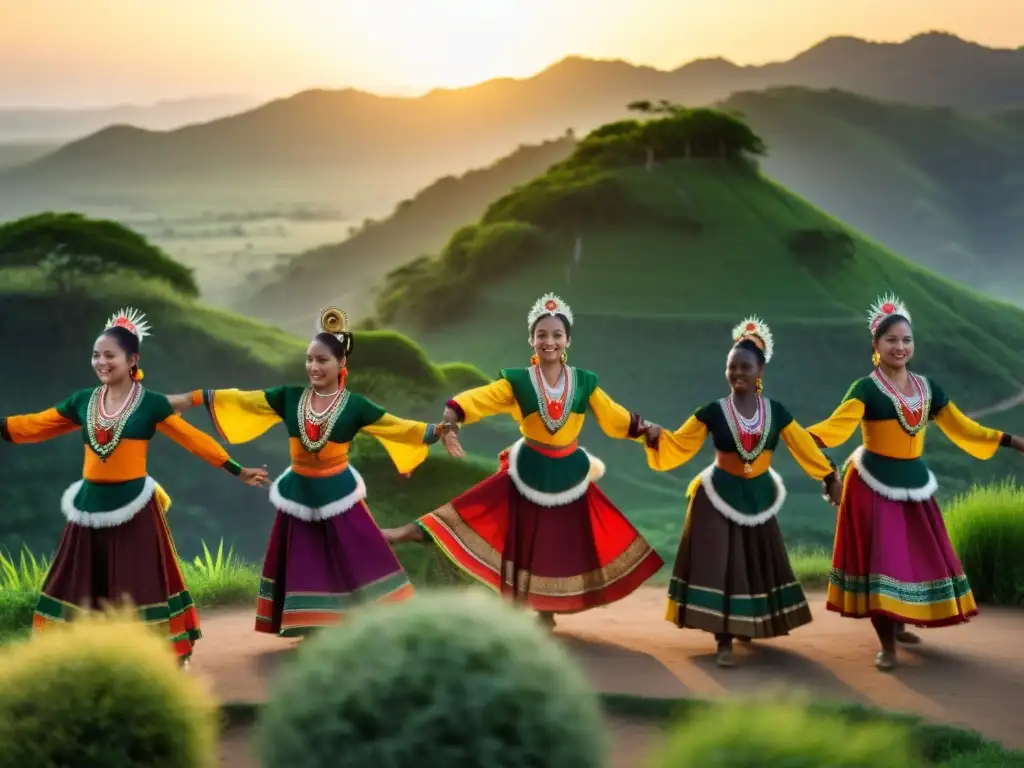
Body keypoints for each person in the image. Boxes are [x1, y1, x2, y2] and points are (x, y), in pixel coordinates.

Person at [0, 308, 269, 666]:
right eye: (96, 355)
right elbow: (37, 424)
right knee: (79, 578)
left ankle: (155, 657)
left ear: (132, 360)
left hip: (134, 506)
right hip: (89, 507)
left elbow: (192, 439)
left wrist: (237, 470)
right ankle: (82, 654)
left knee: (141, 580)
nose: (101, 362)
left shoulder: (150, 403)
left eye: (109, 355)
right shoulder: (83, 401)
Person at [168, 306, 458, 637]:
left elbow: (399, 427)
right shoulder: (290, 397)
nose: (313, 367)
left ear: (341, 365)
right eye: (310, 359)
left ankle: (379, 622)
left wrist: (440, 431)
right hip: (299, 493)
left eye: (322, 360)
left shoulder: (355, 406)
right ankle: (311, 626)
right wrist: (190, 399)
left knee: (359, 555)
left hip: (339, 492)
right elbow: (243, 401)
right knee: (305, 561)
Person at [382, 293, 665, 626]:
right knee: (479, 510)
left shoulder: (584, 383)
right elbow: (479, 399)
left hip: (569, 474)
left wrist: (644, 428)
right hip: (528, 469)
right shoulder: (517, 382)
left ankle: (546, 612)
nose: (549, 341)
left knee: (559, 542)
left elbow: (613, 416)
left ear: (567, 340)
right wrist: (451, 422)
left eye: (556, 335)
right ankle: (416, 532)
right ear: (531, 340)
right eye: (542, 334)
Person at [806, 294, 1024, 671]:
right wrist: (816, 459)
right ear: (875, 346)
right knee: (882, 561)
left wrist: (1012, 441)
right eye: (891, 339)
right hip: (871, 486)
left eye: (906, 339)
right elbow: (831, 430)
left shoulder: (927, 389)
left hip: (914, 485)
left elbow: (962, 428)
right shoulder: (865, 390)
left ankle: (901, 624)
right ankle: (887, 644)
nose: (900, 346)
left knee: (910, 558)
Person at [643, 317, 842, 667]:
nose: (738, 373)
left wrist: (828, 475)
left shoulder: (776, 413)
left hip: (759, 498)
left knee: (753, 564)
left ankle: (747, 624)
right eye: (732, 366)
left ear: (760, 371)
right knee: (722, 565)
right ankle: (723, 639)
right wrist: (654, 435)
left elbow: (803, 447)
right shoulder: (712, 412)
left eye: (745, 367)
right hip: (716, 497)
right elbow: (679, 443)